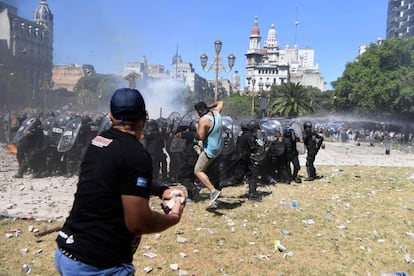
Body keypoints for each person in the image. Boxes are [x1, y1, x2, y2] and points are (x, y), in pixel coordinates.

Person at [55, 88, 186, 275]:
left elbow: (118, 176)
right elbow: (138, 223)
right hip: (97, 264)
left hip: (67, 251)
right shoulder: (136, 155)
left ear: (110, 116)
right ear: (145, 116)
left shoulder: (98, 142)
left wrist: (161, 190)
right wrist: (172, 217)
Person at [219, 119, 262, 201]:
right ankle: (218, 185)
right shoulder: (249, 135)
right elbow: (252, 148)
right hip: (242, 159)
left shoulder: (244, 134)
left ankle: (252, 194)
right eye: (256, 130)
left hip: (243, 158)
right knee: (237, 179)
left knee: (253, 174)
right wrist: (258, 145)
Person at [194, 100, 224, 207]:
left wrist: (197, 127)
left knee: (198, 170)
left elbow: (201, 136)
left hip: (211, 149)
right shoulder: (217, 112)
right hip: (220, 146)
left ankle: (213, 191)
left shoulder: (203, 120)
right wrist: (209, 106)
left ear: (200, 110)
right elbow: (220, 102)